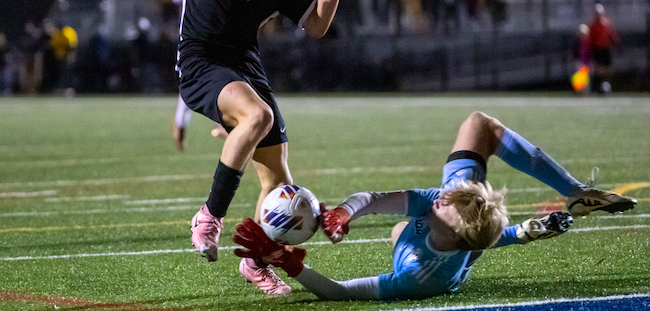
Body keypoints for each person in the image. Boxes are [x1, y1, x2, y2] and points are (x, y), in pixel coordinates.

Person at [116, 0, 360, 295]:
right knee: (258, 117)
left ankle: (254, 261)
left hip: (245, 67)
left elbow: (317, 24)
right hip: (201, 61)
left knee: (278, 180)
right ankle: (209, 216)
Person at [233, 111, 637, 300]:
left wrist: (289, 262)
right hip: (467, 225)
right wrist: (344, 211)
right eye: (446, 195)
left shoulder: (419, 277)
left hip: (440, 253)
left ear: (454, 231)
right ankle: (575, 191)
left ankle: (516, 233)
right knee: (478, 125)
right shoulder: (446, 201)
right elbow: (375, 199)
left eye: (446, 203)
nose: (439, 196)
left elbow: (338, 292)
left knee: (398, 233)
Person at [588, 3, 619, 94]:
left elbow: (612, 35)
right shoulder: (592, 25)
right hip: (597, 50)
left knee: (607, 70)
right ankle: (598, 87)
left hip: (606, 49)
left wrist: (615, 43)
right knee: (598, 70)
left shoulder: (606, 24)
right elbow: (591, 39)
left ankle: (606, 86)